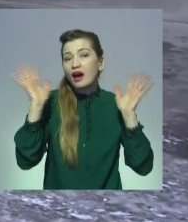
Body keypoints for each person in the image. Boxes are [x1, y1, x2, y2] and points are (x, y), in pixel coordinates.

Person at [11, 28, 156, 190]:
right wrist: (36, 107)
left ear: (100, 63)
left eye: (84, 55)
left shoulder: (116, 106)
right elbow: (25, 162)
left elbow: (143, 167)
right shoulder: (50, 102)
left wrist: (129, 117)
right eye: (67, 58)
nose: (74, 64)